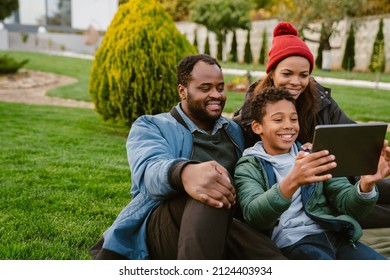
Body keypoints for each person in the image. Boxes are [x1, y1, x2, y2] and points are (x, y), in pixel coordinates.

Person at [90, 54, 286, 260]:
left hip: (223, 227)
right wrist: (185, 172)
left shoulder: (233, 130)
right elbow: (148, 171)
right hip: (163, 229)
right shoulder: (152, 125)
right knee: (211, 188)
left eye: (220, 88)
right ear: (182, 91)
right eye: (205, 88)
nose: (216, 95)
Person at [233, 21, 390, 229]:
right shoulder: (254, 110)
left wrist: (373, 149)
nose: (296, 82)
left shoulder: (320, 100)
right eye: (287, 74)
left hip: (338, 177)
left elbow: (350, 133)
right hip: (300, 197)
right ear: (271, 73)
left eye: (304, 75)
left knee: (379, 189)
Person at [234, 86, 390, 259]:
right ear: (257, 127)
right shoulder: (249, 165)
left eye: (294, 119)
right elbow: (255, 216)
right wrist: (292, 180)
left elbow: (347, 205)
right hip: (296, 243)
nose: (288, 126)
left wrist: (366, 184)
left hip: (334, 235)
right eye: (278, 120)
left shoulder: (313, 155)